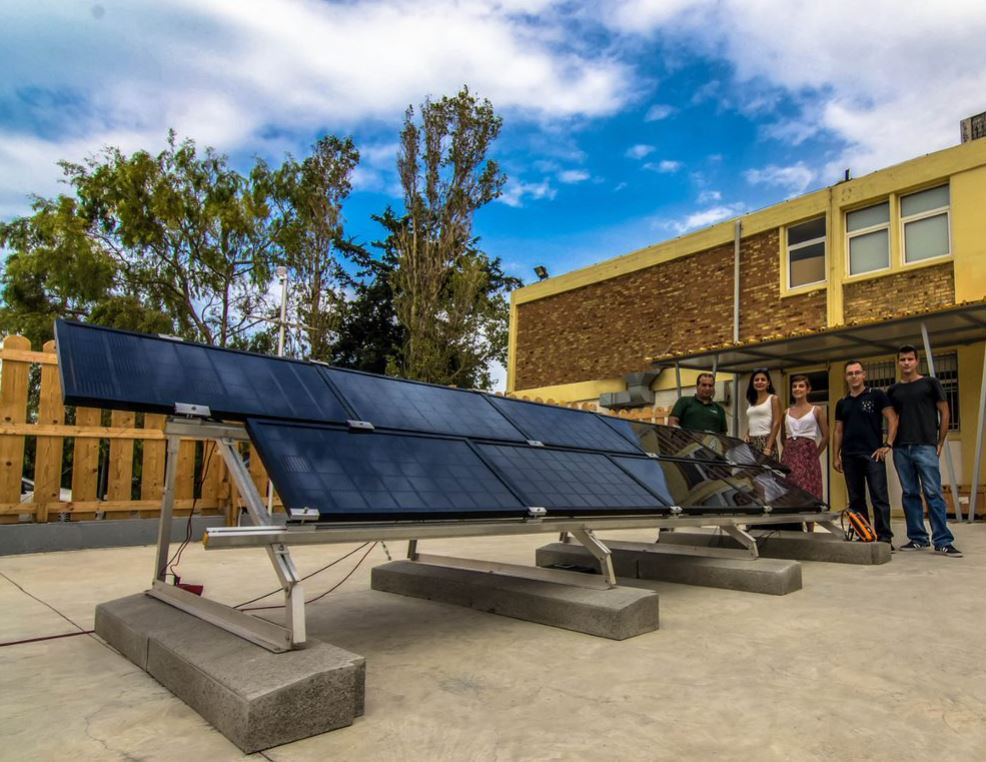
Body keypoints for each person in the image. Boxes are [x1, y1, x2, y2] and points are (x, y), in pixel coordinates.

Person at [887, 345, 962, 558]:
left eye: (910, 359)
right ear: (899, 362)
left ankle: (943, 541)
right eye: (902, 360)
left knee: (933, 493)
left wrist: (940, 441)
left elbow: (945, 412)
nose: (906, 363)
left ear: (917, 361)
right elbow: (893, 419)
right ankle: (918, 538)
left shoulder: (930, 383)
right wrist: (890, 443)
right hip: (901, 448)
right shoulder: (894, 391)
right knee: (910, 494)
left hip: (925, 446)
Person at [833, 360, 897, 546]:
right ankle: (864, 534)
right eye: (850, 373)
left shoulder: (876, 395)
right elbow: (838, 430)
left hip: (872, 454)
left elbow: (892, 418)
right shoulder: (842, 403)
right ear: (846, 377)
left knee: (879, 497)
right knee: (856, 499)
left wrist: (888, 444)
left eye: (857, 372)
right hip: (849, 456)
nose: (854, 376)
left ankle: (885, 538)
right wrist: (836, 455)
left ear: (864, 375)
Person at [781, 375, 828, 501]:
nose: (797, 389)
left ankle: (810, 520)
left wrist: (815, 454)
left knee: (809, 487)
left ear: (808, 389)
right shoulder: (786, 412)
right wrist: (789, 451)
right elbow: (782, 437)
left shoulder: (816, 410)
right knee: (791, 486)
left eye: (801, 386)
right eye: (794, 386)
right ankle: (793, 520)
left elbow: (826, 436)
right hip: (790, 454)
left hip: (808, 452)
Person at [744, 368, 782, 457]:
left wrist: (768, 446)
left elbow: (776, 423)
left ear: (768, 383)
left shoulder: (773, 399)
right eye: (756, 380)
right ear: (752, 383)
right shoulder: (751, 401)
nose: (759, 382)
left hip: (766, 440)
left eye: (763, 379)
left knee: (767, 470)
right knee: (753, 470)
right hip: (751, 441)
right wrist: (747, 433)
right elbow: (753, 420)